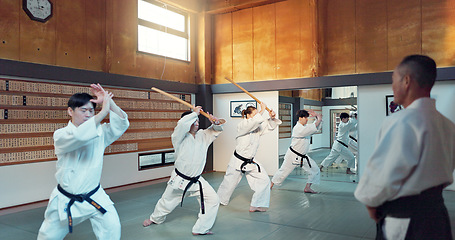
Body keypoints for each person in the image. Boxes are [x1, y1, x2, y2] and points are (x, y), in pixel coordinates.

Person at [354, 55, 455, 239]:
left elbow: (384, 174)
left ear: (406, 81)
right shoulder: (447, 124)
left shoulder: (401, 121)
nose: (393, 87)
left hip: (406, 219)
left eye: (394, 80)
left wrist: (371, 203)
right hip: (437, 215)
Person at [37, 84, 130, 240]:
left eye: (91, 111)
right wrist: (102, 112)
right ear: (70, 111)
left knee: (112, 228)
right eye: (83, 110)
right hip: (65, 198)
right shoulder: (61, 135)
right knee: (48, 237)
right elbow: (80, 137)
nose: (88, 114)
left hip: (94, 195)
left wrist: (108, 101)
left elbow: (122, 123)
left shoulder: (100, 133)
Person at [143, 106, 223, 236]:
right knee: (166, 201)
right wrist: (193, 114)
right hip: (180, 180)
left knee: (213, 200)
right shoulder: (179, 137)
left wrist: (215, 122)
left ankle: (201, 228)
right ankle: (155, 219)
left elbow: (215, 130)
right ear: (187, 122)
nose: (196, 123)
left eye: (197, 121)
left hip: (197, 180)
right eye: (193, 121)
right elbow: (181, 125)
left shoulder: (203, 135)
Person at [217, 102, 282, 212]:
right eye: (254, 113)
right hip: (238, 160)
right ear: (248, 115)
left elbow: (268, 126)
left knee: (264, 180)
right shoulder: (242, 125)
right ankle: (218, 201)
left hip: (250, 161)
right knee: (228, 183)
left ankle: (256, 205)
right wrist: (261, 111)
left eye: (257, 114)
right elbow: (253, 123)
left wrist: (271, 118)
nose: (257, 115)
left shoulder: (256, 128)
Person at [271, 109, 322, 193]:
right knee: (283, 171)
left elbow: (315, 127)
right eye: (305, 118)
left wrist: (317, 117)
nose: (306, 119)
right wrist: (318, 119)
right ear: (300, 118)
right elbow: (313, 127)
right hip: (293, 155)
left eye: (307, 118)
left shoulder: (305, 127)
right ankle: (271, 184)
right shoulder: (297, 128)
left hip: (303, 156)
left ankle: (307, 187)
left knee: (315, 170)